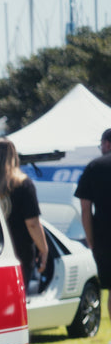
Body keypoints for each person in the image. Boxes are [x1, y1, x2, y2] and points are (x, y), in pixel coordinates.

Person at [0, 137, 47, 288]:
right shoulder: (23, 184)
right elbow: (33, 224)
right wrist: (44, 249)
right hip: (19, 253)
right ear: (14, 156)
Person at [74, 128, 111, 327]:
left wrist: (90, 238)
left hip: (105, 237)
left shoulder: (94, 167)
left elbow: (85, 207)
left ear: (106, 143)